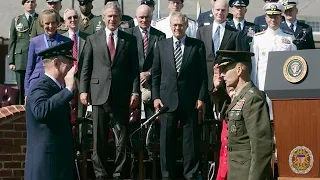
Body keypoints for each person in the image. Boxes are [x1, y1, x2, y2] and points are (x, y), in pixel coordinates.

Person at [79, 2, 139, 179]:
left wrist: (135, 91)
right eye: (109, 16)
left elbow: (134, 69)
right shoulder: (93, 39)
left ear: (120, 19)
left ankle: (119, 172)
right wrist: (83, 90)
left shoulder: (129, 40)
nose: (112, 19)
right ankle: (100, 173)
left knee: (121, 137)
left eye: (116, 16)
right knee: (99, 138)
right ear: (103, 18)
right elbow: (86, 67)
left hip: (121, 95)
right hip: (98, 94)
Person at [152, 12, 208, 180]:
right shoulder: (161, 45)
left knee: (190, 143)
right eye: (175, 25)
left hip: (189, 101)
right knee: (166, 143)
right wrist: (156, 97)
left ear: (186, 26)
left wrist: (201, 98)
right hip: (167, 102)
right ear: (170, 26)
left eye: (181, 25)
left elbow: (203, 75)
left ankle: (190, 175)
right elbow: (156, 74)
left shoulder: (197, 46)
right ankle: (167, 175)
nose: (177, 28)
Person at [214, 50, 273, 180]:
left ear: (239, 70)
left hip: (246, 174)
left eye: (226, 69)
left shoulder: (253, 98)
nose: (222, 74)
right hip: (235, 172)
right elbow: (226, 114)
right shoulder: (239, 97)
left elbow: (261, 146)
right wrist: (217, 89)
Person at [24, 41, 76, 180]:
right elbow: (41, 111)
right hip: (47, 167)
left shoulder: (55, 87)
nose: (72, 66)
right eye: (69, 61)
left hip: (58, 164)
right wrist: (68, 90)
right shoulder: (40, 87)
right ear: (57, 63)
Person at [24, 9, 71, 97]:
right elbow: (29, 68)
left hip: (58, 85)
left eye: (53, 23)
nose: (50, 26)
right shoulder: (35, 42)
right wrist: (27, 93)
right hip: (37, 84)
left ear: (57, 23)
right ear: (42, 24)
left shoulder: (66, 42)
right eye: (47, 23)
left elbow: (68, 68)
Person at [63, 8, 89, 123]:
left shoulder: (88, 38)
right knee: (66, 112)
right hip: (66, 79)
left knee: (81, 114)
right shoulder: (61, 39)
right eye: (69, 18)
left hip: (82, 79)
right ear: (65, 22)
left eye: (75, 17)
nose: (73, 20)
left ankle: (81, 139)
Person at [8, 0, 38, 105]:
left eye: (32, 1)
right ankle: (21, 112)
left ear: (36, 4)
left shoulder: (40, 19)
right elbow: (12, 41)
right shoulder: (17, 20)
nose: (30, 4)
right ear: (23, 5)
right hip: (20, 59)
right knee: (21, 87)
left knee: (35, 86)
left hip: (36, 57)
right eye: (27, 1)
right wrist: (11, 61)